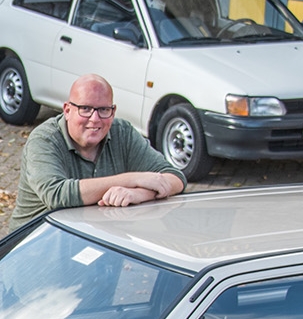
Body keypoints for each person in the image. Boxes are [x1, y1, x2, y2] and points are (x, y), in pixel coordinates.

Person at [10, 74, 185, 227]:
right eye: (85, 109)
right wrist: (133, 179)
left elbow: (176, 178)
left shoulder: (122, 133)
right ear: (67, 110)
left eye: (103, 110)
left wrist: (138, 194)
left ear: (113, 111)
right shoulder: (43, 140)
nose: (95, 119)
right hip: (38, 246)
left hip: (95, 241)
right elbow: (57, 195)